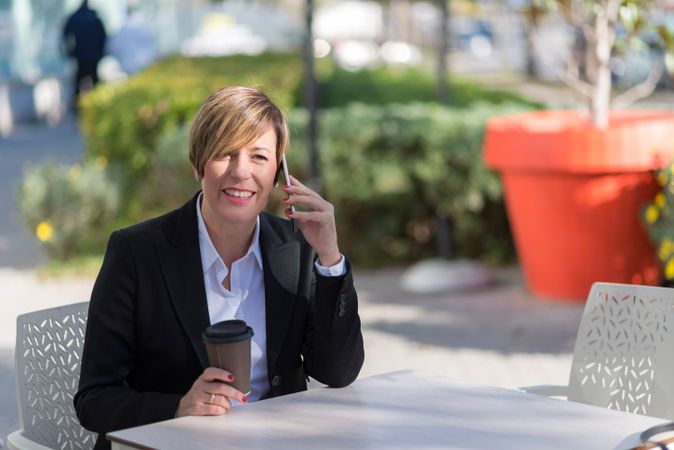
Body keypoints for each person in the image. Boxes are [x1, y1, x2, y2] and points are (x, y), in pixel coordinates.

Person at [74, 86, 365, 450]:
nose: (241, 172)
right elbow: (94, 400)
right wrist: (179, 407)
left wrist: (330, 259)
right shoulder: (136, 252)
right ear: (198, 164)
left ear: (278, 173)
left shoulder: (298, 249)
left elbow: (337, 372)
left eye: (259, 156)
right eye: (225, 154)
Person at [62, 0, 106, 109]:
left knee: (79, 84)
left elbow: (65, 35)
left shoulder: (75, 17)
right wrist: (100, 53)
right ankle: (97, 105)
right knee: (94, 83)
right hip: (92, 57)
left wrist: (70, 52)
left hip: (80, 56)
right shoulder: (95, 18)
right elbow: (104, 38)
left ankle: (78, 107)